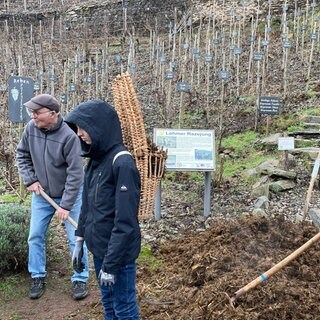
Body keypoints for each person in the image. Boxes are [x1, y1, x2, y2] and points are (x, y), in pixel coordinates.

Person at [65, 99, 141, 320]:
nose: (78, 133)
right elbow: (87, 206)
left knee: (123, 308)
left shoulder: (122, 163)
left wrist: (110, 264)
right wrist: (80, 240)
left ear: (98, 126)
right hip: (99, 249)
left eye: (82, 127)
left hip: (119, 256)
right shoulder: (95, 161)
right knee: (108, 304)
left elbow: (125, 222)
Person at [16, 93, 89, 300]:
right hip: (42, 195)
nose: (33, 117)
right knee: (35, 236)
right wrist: (30, 179)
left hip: (70, 195)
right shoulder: (31, 129)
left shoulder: (69, 137)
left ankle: (80, 278)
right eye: (32, 112)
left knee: (76, 238)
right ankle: (37, 276)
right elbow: (22, 154)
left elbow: (76, 174)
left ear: (53, 114)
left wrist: (65, 205)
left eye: (37, 112)